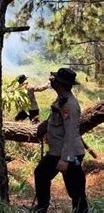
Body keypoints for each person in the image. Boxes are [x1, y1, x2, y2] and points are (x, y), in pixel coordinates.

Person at [34, 68, 88, 212]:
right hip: (56, 151)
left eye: (56, 81)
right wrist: (44, 126)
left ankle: (81, 210)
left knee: (75, 189)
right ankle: (42, 207)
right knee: (41, 174)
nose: (53, 82)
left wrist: (65, 159)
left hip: (69, 154)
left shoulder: (70, 105)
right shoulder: (61, 98)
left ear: (61, 84)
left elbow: (71, 133)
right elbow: (55, 118)